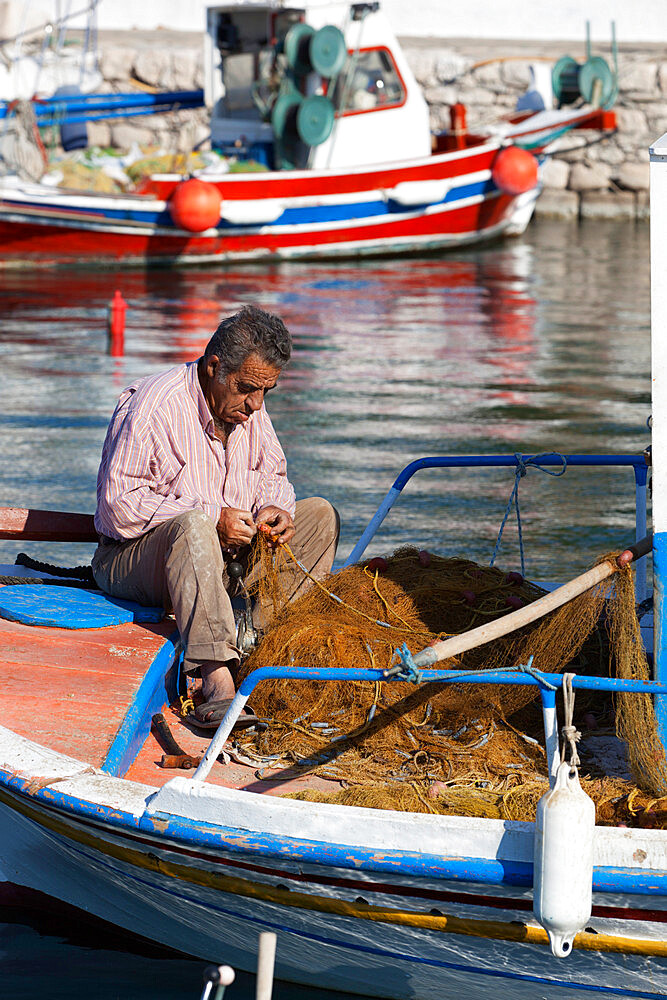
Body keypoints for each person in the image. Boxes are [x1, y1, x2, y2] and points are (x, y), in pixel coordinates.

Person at [92, 305, 339, 729]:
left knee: (320, 516)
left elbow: (272, 475)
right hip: (133, 561)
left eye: (267, 392)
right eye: (247, 389)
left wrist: (276, 509)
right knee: (194, 525)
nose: (257, 405)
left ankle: (258, 645)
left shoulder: (248, 409)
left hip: (221, 563)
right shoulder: (154, 406)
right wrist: (211, 517)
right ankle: (217, 681)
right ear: (214, 367)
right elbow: (116, 508)